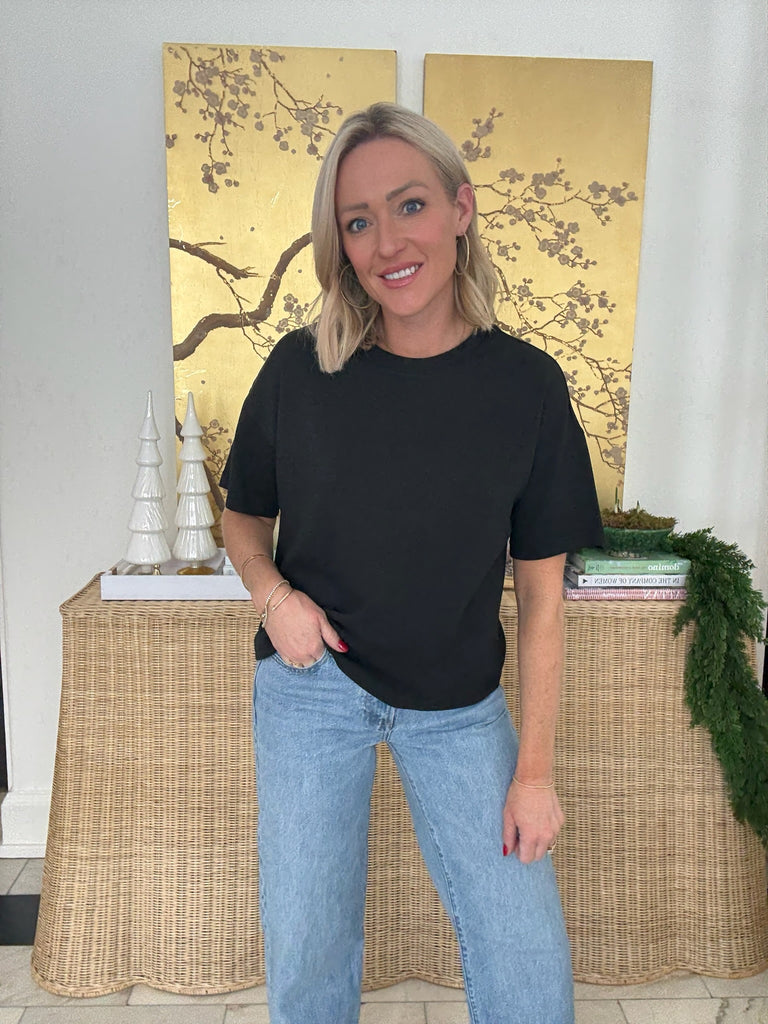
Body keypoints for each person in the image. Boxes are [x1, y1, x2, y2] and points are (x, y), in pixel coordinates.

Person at [221, 101, 603, 1024]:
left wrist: (534, 775)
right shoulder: (299, 371)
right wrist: (275, 599)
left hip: (459, 703)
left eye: (410, 205)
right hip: (314, 688)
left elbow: (542, 601)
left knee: (527, 963)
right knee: (308, 950)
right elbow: (242, 520)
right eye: (358, 222)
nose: (388, 241)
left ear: (461, 209)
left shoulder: (527, 387)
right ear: (341, 245)